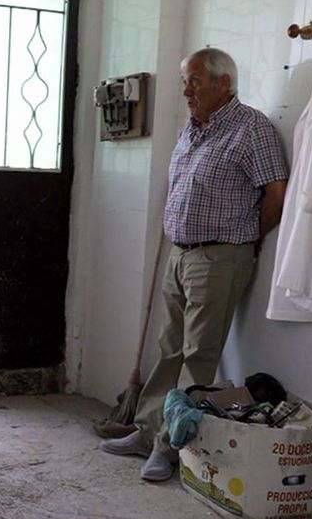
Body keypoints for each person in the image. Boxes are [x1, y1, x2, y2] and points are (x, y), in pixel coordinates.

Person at [99, 48, 288, 481]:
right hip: (179, 254)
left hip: (220, 256)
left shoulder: (251, 128)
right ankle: (147, 431)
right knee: (168, 350)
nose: (187, 89)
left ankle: (169, 447)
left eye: (195, 80)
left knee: (197, 357)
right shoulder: (192, 129)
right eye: (186, 80)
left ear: (224, 83)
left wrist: (244, 238)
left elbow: (276, 193)